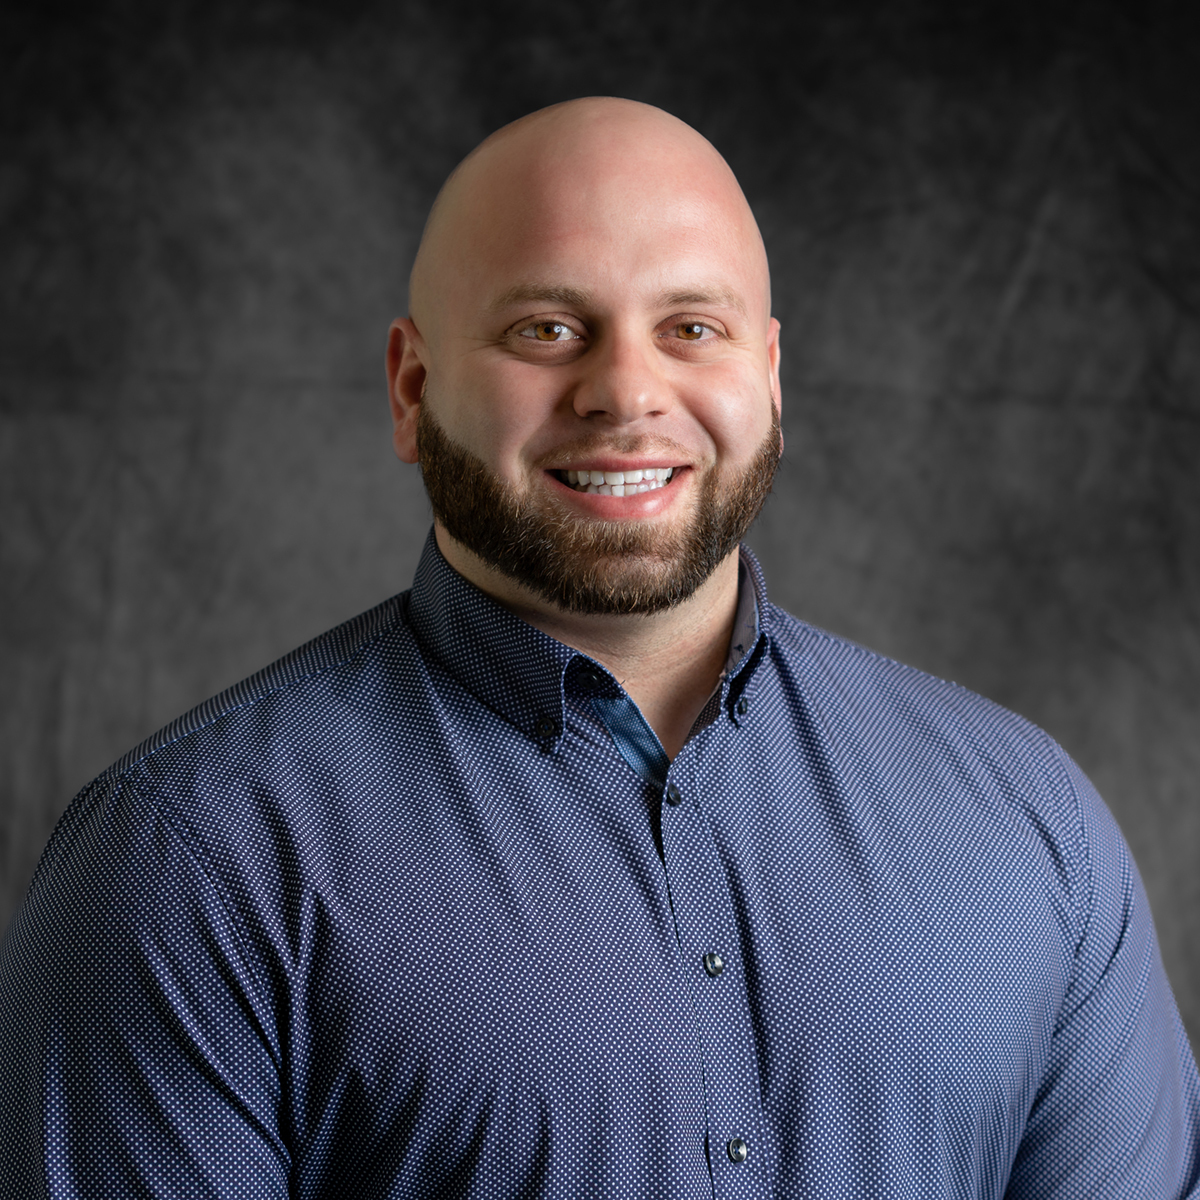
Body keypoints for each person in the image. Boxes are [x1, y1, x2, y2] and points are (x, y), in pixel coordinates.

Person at [1, 96, 1197, 1199]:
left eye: (691, 327)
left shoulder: (1030, 824)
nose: (625, 390)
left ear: (769, 378)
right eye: (549, 328)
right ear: (412, 388)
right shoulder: (185, 863)